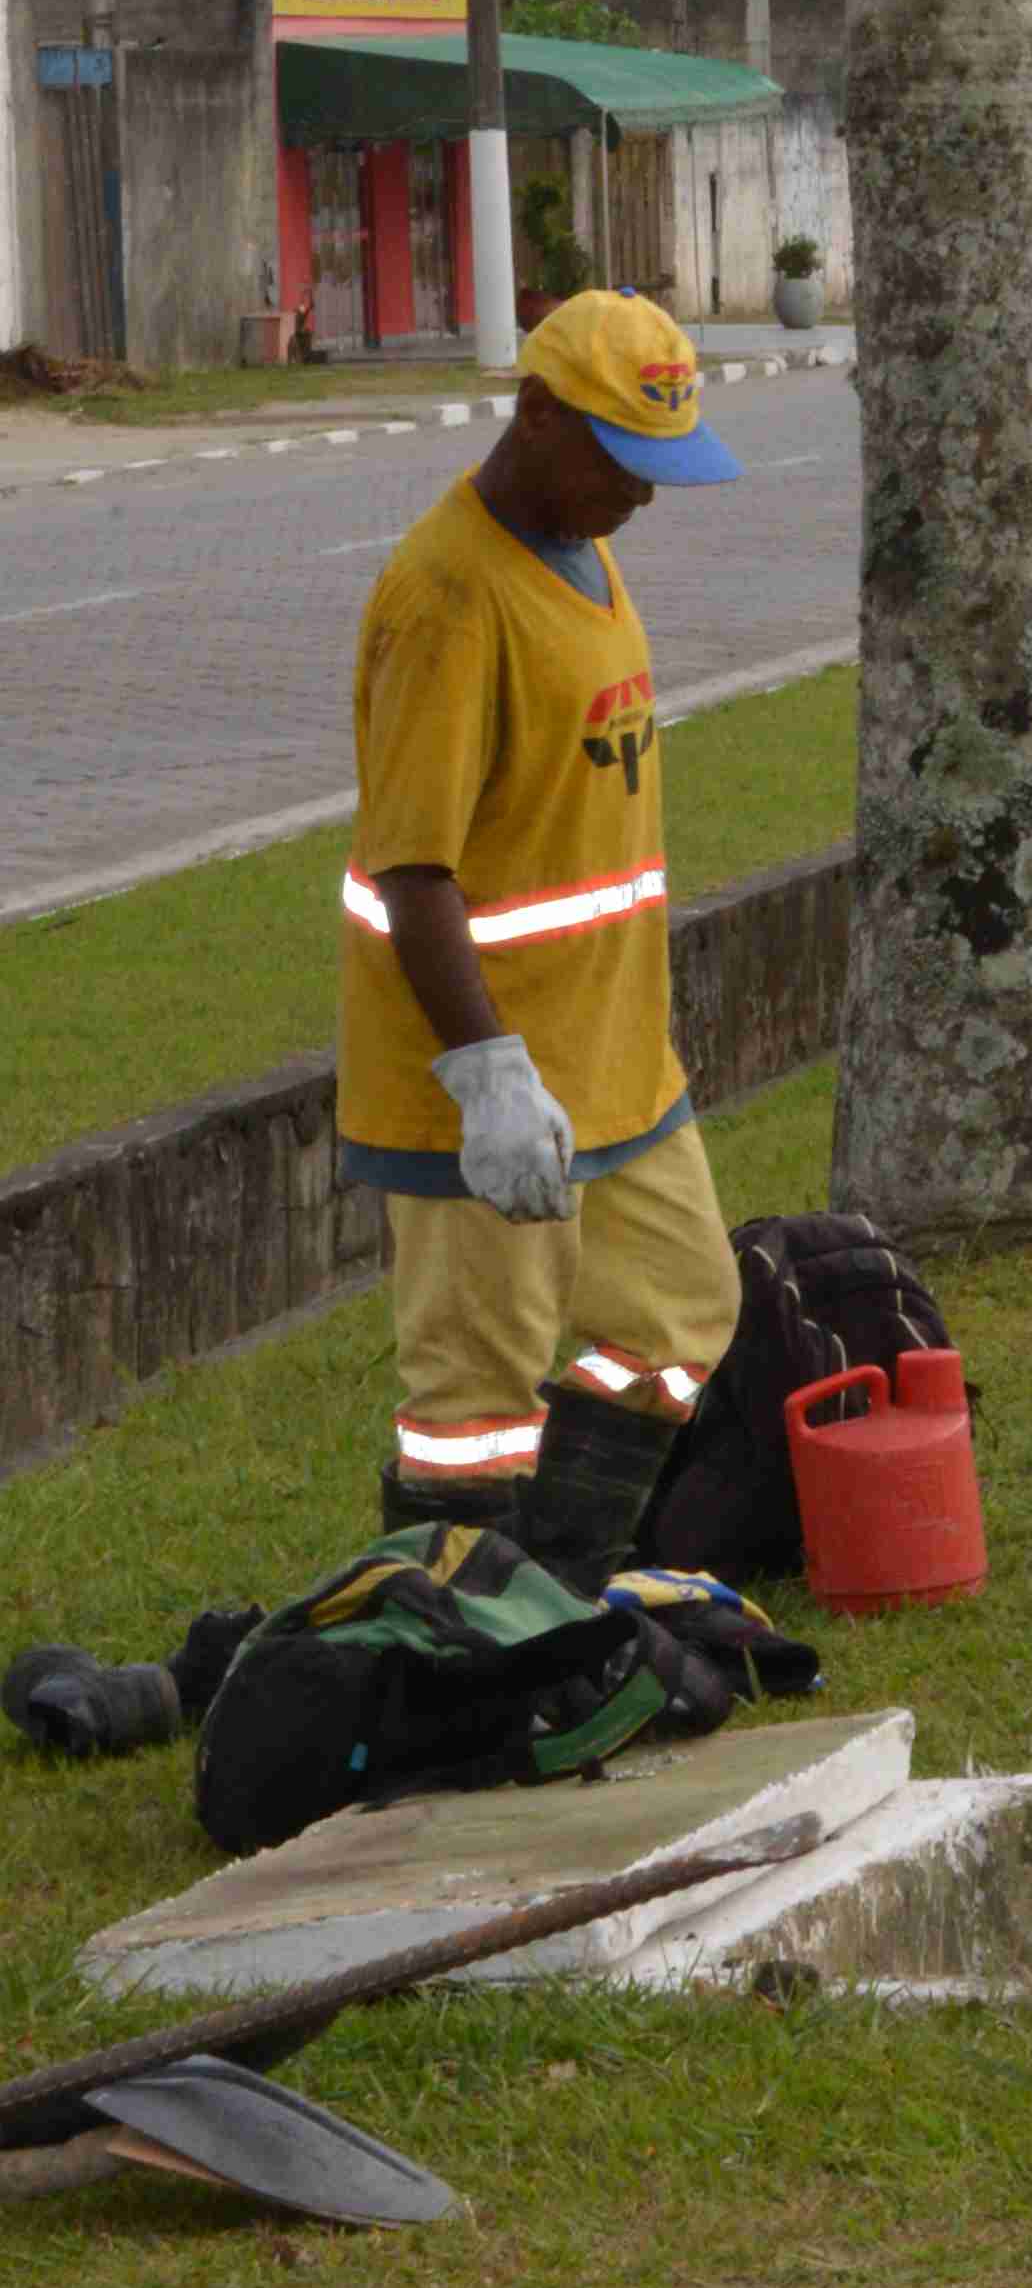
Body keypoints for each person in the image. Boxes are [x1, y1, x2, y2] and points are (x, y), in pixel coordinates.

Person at [338, 288, 747, 1577]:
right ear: (533, 415)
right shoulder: (447, 599)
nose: (642, 493)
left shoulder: (584, 537)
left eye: (655, 464)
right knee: (476, 1408)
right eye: (621, 459)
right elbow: (413, 871)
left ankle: (558, 1582)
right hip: (490, 1074)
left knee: (684, 1308)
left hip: (619, 1061)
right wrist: (485, 1073)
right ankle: (452, 1642)